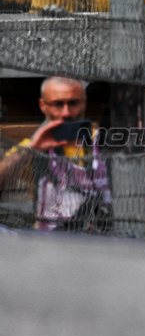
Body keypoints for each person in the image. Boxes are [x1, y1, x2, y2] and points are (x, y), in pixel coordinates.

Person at [0, 76, 112, 232]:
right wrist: (33, 147)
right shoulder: (32, 147)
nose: (66, 113)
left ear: (84, 103)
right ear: (43, 106)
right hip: (48, 244)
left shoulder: (106, 143)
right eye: (58, 104)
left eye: (73, 103)